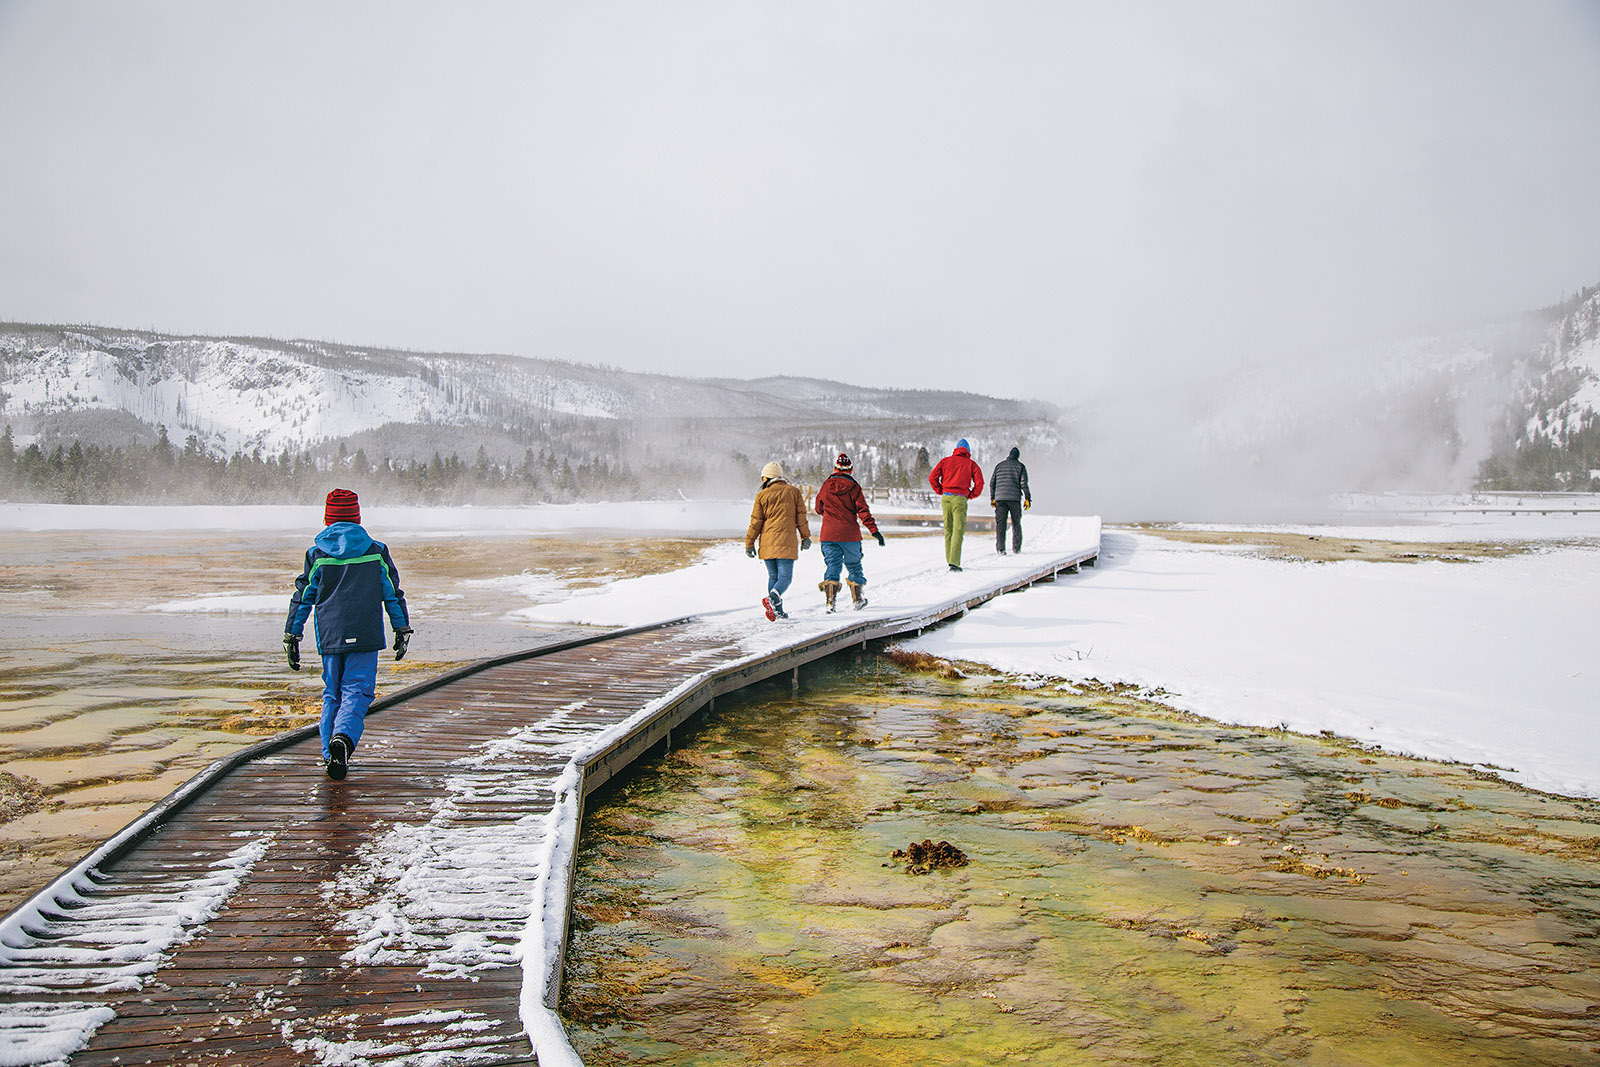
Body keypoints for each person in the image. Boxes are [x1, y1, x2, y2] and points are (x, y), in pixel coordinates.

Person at [283, 488, 412, 781]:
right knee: (357, 690)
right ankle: (342, 738)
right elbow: (391, 592)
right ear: (357, 517)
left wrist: (292, 634)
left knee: (332, 693)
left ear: (328, 519)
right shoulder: (375, 551)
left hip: (329, 634)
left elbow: (303, 597)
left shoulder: (317, 554)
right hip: (365, 632)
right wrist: (401, 627)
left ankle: (331, 756)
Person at [813, 452, 884, 611]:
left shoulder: (826, 485)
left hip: (829, 534)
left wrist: (830, 513)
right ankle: (857, 600)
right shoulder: (854, 487)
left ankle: (830, 602)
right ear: (851, 470)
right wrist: (874, 531)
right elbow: (863, 511)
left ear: (835, 469)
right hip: (850, 535)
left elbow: (818, 508)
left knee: (833, 565)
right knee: (854, 565)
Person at [745, 460, 810, 620]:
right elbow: (801, 518)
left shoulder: (761, 495)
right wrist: (805, 536)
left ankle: (778, 610)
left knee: (774, 577)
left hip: (767, 542)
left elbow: (756, 522)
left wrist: (749, 543)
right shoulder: (794, 492)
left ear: (767, 478)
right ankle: (773, 599)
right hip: (787, 542)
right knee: (785, 578)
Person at [928, 439, 983, 571]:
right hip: (960, 499)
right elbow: (980, 483)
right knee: (958, 530)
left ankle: (950, 559)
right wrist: (971, 495)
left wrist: (940, 490)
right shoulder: (971, 464)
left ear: (956, 449)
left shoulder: (945, 461)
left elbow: (932, 477)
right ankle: (954, 562)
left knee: (948, 529)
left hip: (946, 497)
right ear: (968, 451)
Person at [990, 446, 1032, 555]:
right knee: (1016, 524)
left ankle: (1000, 549)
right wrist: (1027, 498)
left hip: (1000, 499)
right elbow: (1023, 484)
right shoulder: (1020, 466)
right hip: (1014, 499)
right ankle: (1016, 549)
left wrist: (993, 498)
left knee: (1001, 525)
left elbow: (992, 483)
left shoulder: (999, 466)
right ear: (1017, 456)